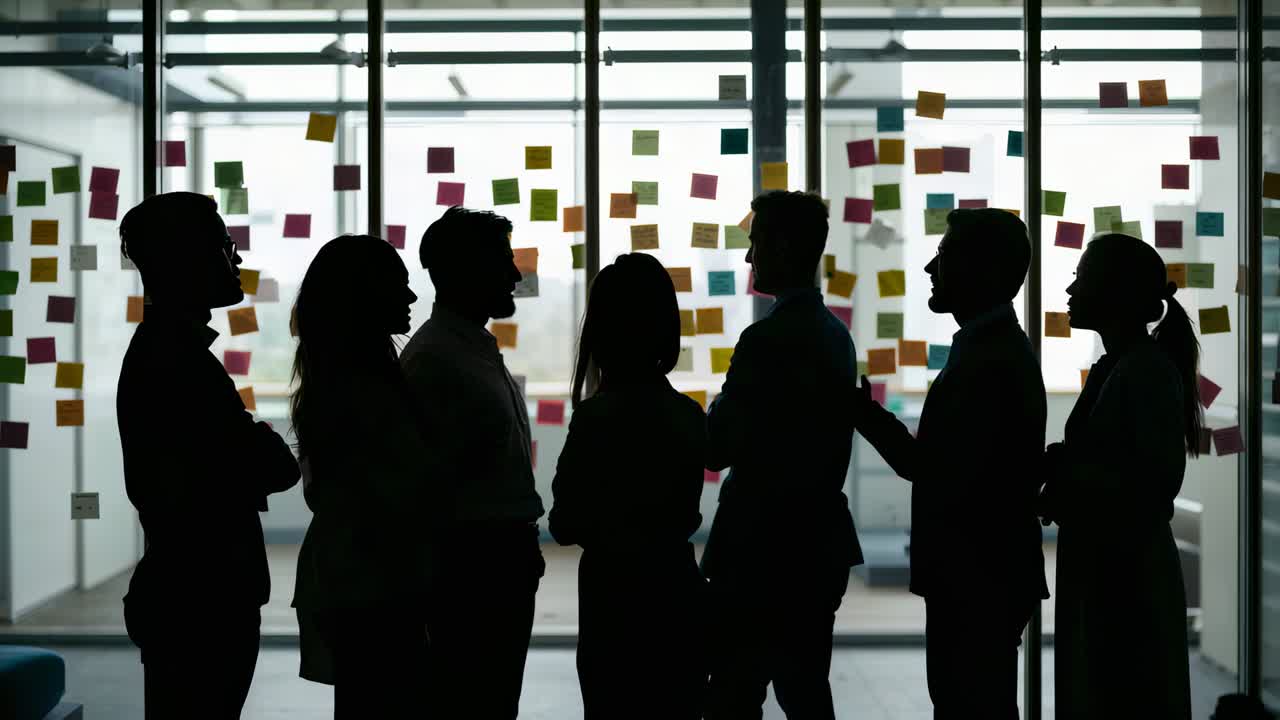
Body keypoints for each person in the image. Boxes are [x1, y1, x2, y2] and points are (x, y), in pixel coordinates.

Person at [852, 207, 1048, 719]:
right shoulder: (994, 348)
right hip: (987, 571)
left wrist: (860, 412)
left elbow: (928, 465)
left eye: (942, 256)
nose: (928, 270)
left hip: (976, 574)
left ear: (979, 270)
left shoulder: (988, 360)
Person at [116, 192, 300, 719]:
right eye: (225, 246)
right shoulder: (176, 360)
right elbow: (273, 467)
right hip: (201, 600)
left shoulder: (169, 350)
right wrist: (257, 444)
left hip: (190, 594)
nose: (237, 258)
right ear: (187, 259)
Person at [702, 191, 862, 720]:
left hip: (756, 547)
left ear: (785, 245)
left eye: (757, 242)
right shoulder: (837, 337)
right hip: (816, 543)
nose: (749, 258)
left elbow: (718, 446)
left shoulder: (765, 340)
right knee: (806, 690)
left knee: (734, 692)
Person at [1039, 233, 1195, 720]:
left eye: (1081, 277)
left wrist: (1065, 476)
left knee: (1121, 694)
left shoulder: (1143, 371)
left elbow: (1151, 482)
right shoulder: (1120, 366)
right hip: (1110, 565)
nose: (1069, 289)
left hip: (1124, 573)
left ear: (1115, 292)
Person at [548, 253, 708, 720]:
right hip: (676, 592)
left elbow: (563, 524)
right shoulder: (689, 417)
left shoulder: (595, 420)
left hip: (612, 599)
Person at [400, 206, 545, 719]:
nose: (513, 274)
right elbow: (431, 487)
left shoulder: (466, 350)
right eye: (502, 261)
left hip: (493, 563)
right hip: (473, 571)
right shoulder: (438, 361)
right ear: (464, 270)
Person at [289, 235, 437, 717]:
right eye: (400, 284)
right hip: (376, 585)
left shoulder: (335, 380)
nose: (412, 297)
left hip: (358, 580)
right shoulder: (367, 389)